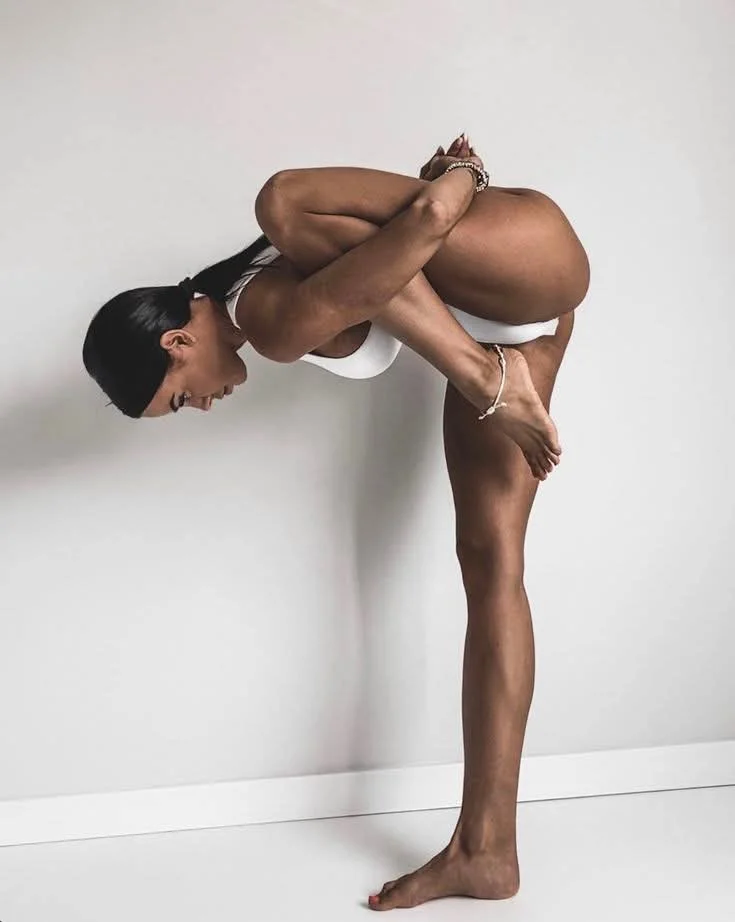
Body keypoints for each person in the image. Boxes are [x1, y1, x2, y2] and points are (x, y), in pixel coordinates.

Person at [83, 133, 590, 909]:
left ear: (177, 341)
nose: (202, 406)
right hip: (514, 319)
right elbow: (399, 259)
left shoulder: (269, 309)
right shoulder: (262, 300)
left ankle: (487, 379)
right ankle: (485, 851)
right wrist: (441, 190)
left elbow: (427, 223)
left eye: (179, 397)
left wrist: (458, 177)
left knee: (280, 199)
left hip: (525, 261)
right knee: (490, 566)